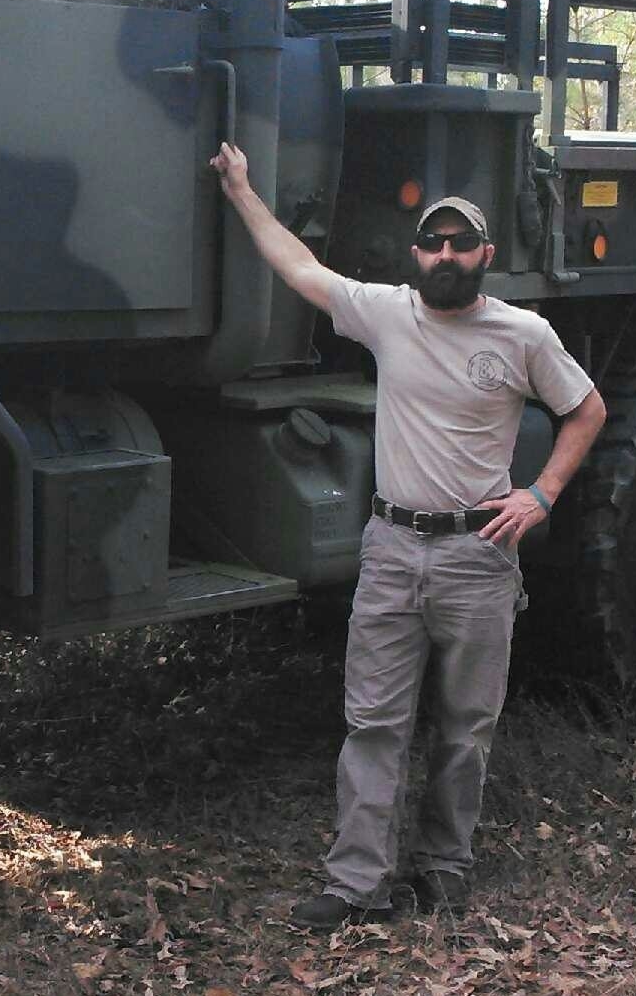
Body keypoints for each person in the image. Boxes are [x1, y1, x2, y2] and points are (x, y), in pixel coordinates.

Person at [210, 142, 608, 929]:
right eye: (435, 242)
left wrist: (541, 494)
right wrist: (241, 190)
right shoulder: (387, 312)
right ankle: (358, 883)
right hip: (392, 549)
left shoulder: (523, 333)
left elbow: (586, 409)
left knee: (466, 727)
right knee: (374, 723)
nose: (448, 255)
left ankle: (444, 870)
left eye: (463, 243)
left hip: (479, 555)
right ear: (416, 253)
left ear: (486, 254)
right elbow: (298, 268)